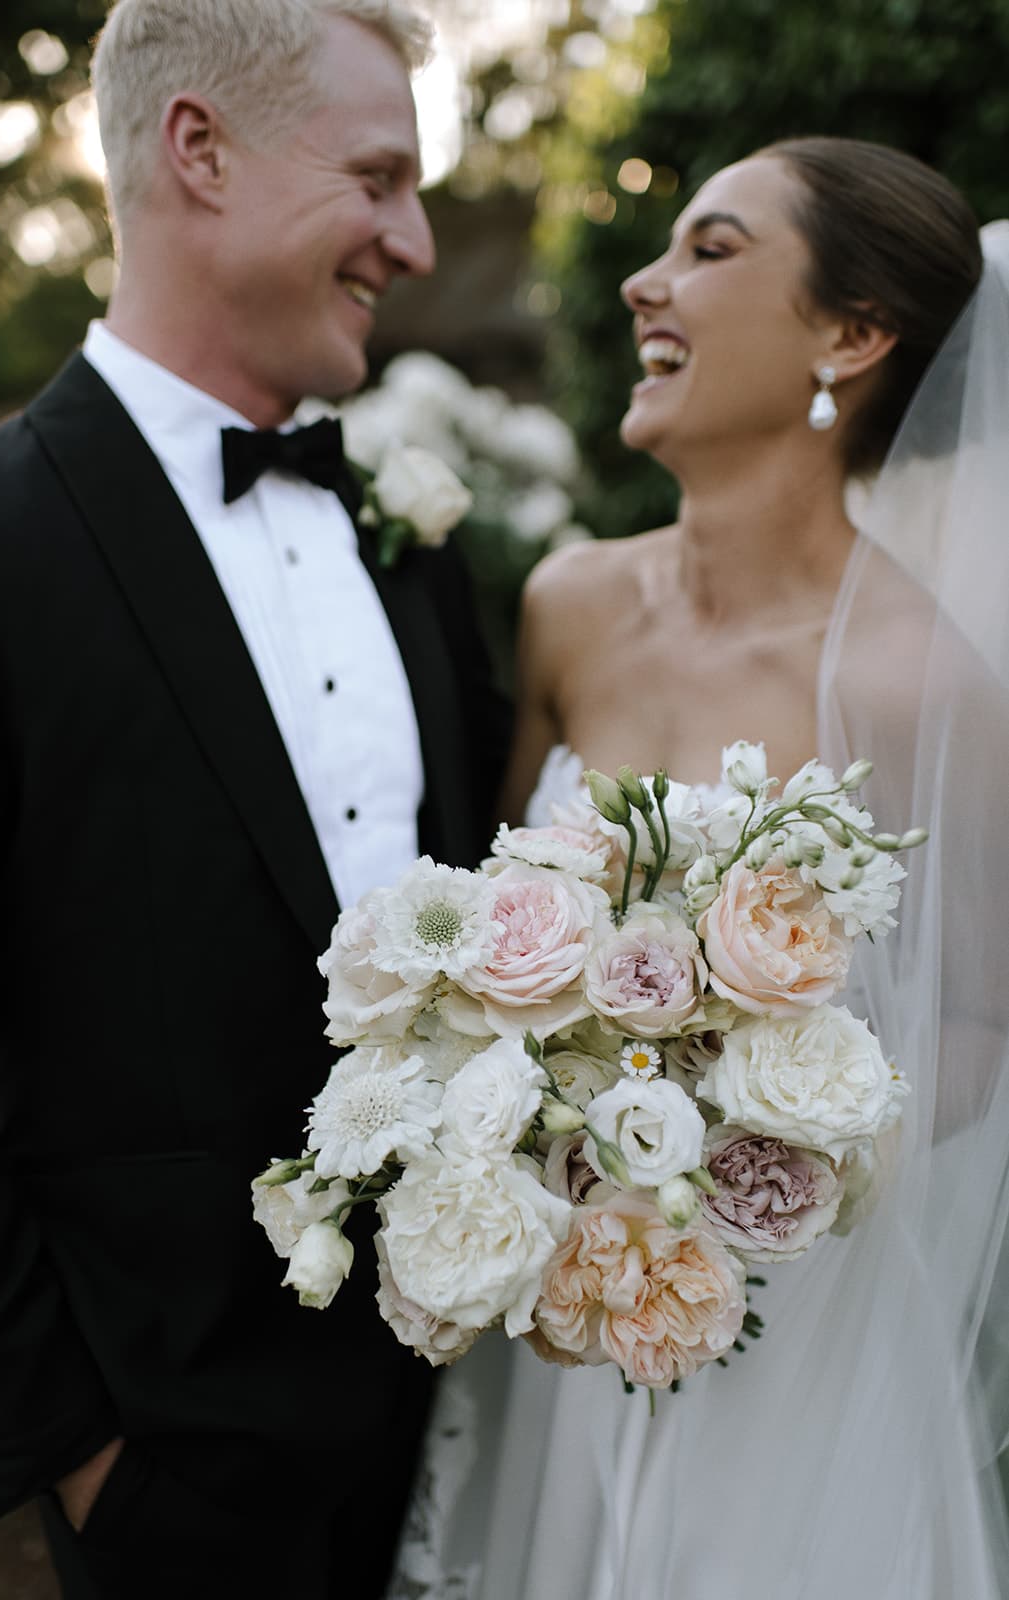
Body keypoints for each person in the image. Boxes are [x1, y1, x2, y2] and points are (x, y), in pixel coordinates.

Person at [388, 139, 1009, 1598]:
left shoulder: (930, 682)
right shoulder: (568, 608)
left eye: (710, 250)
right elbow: (485, 950)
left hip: (792, 1338)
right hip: (551, 1317)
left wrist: (741, 1148)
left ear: (848, 338)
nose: (641, 281)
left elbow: (982, 1023)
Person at [0, 2, 508, 1596]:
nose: (409, 240)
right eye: (380, 178)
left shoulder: (412, 537)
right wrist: (68, 1438)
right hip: (164, 1463)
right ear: (199, 150)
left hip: (458, 1431)